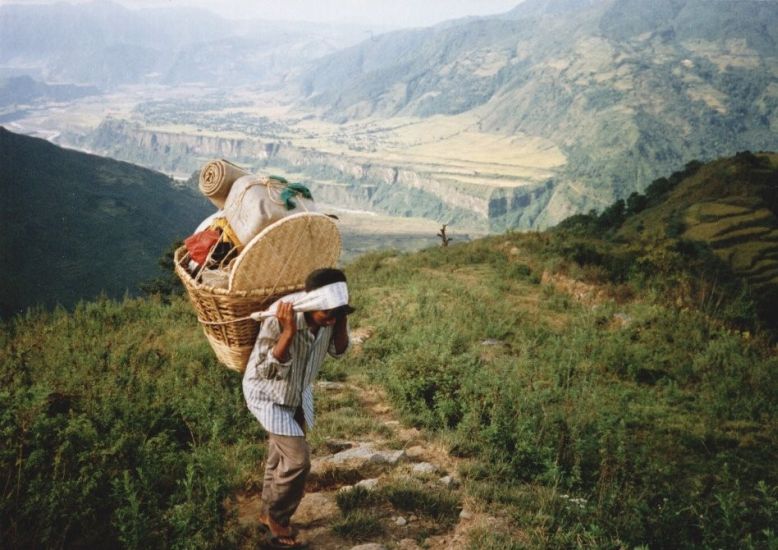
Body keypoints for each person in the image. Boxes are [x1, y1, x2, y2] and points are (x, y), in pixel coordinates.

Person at [242, 267, 353, 549]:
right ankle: (279, 518)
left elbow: (339, 351)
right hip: (267, 394)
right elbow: (265, 371)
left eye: (335, 312)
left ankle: (266, 512)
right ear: (312, 305)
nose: (329, 319)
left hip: (297, 394)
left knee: (278, 458)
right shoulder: (278, 320)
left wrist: (340, 319)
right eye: (325, 313)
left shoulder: (333, 318)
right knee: (297, 460)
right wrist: (288, 333)